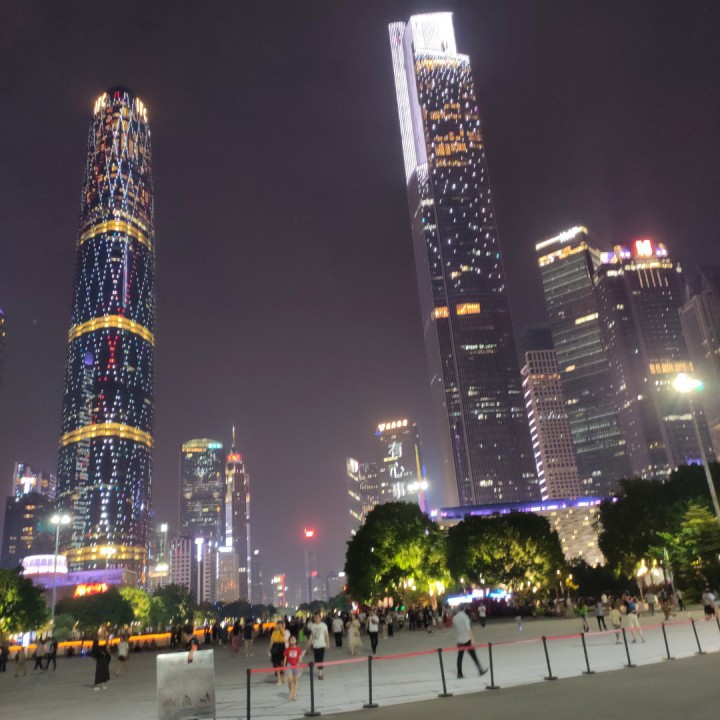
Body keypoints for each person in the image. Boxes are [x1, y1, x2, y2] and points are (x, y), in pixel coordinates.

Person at [452, 607, 488, 678]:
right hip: (467, 639)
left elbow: (455, 629)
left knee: (460, 657)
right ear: (464, 609)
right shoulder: (465, 617)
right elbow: (468, 629)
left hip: (459, 640)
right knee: (474, 656)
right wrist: (473, 640)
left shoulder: (454, 618)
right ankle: (480, 670)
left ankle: (459, 673)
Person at [307, 613, 329, 679]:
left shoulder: (323, 625)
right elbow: (312, 635)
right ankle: (320, 670)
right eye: (315, 617)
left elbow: (326, 634)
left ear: (320, 618)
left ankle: (320, 673)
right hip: (315, 645)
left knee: (320, 659)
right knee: (316, 659)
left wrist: (328, 643)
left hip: (321, 644)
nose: (316, 619)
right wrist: (309, 643)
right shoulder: (313, 626)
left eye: (317, 617)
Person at [283, 635, 304, 701]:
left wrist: (300, 665)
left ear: (296, 641)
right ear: (289, 641)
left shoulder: (298, 649)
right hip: (289, 665)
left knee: (295, 680)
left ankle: (294, 694)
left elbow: (300, 658)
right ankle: (290, 692)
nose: (292, 641)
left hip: (296, 665)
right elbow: (285, 658)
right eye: (291, 640)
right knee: (289, 679)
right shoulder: (287, 649)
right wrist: (284, 666)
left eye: (294, 640)